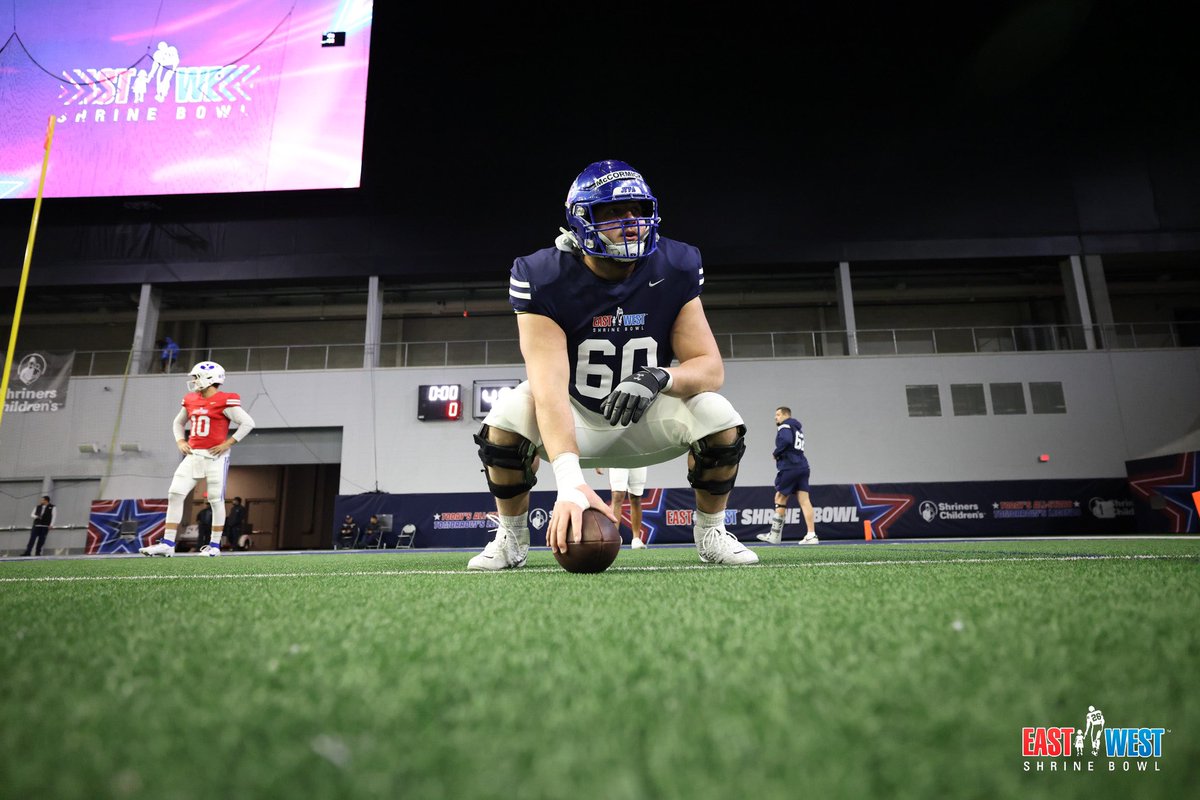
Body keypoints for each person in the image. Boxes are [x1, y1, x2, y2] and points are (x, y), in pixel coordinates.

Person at [467, 159, 757, 570]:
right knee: (506, 417)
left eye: (637, 210)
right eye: (613, 212)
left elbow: (710, 368)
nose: (631, 221)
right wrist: (569, 483)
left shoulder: (675, 266)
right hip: (575, 414)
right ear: (581, 220)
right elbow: (548, 386)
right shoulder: (542, 275)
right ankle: (512, 537)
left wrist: (660, 376)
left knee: (720, 416)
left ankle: (711, 531)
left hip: (646, 417)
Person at [140, 361, 255, 557]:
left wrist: (227, 443)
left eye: (196, 377)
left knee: (215, 500)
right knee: (175, 494)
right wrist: (180, 441)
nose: (193, 381)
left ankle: (215, 546)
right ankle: (167, 543)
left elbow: (248, 423)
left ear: (208, 379)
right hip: (193, 455)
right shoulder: (191, 399)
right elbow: (178, 422)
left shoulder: (225, 400)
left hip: (215, 457)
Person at [758, 406, 819, 545]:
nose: (776, 417)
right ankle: (811, 535)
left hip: (790, 467)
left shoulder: (785, 426)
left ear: (786, 415)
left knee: (779, 497)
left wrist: (776, 453)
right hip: (803, 466)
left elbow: (786, 441)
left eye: (778, 414)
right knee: (804, 500)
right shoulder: (797, 428)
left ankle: (774, 536)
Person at [596, 467, 648, 548]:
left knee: (636, 497)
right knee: (617, 495)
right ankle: (615, 537)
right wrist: (599, 463)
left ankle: (636, 539)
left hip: (637, 459)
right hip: (618, 457)